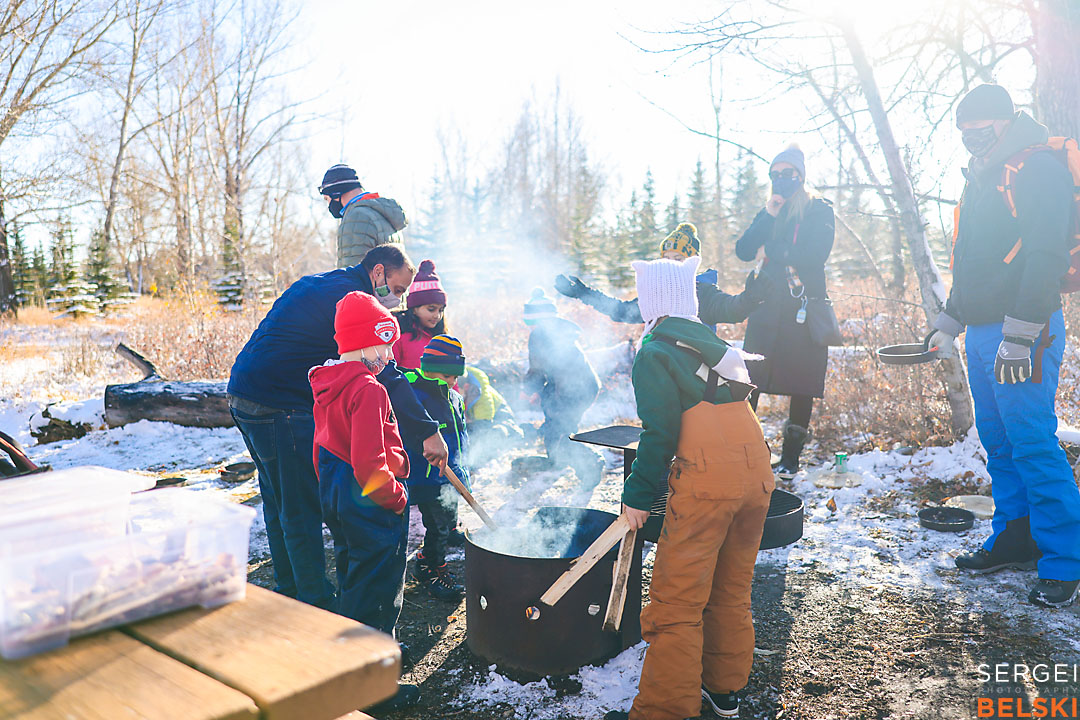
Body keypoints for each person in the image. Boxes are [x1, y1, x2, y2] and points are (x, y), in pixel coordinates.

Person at [226, 244, 448, 612]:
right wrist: (427, 430)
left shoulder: (329, 285)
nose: (400, 299)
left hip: (242, 393)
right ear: (378, 272)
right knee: (298, 507)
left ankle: (291, 589)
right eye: (397, 289)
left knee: (279, 499)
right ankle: (312, 603)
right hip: (276, 402)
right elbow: (386, 373)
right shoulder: (353, 303)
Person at [926, 83, 1080, 608]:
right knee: (997, 439)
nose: (972, 138)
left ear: (1006, 120)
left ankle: (1065, 561)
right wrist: (952, 316)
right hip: (984, 330)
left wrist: (1021, 332)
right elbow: (972, 258)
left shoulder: (1035, 168)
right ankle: (1016, 538)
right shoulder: (981, 174)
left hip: (1026, 329)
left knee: (1032, 440)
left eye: (981, 128)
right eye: (964, 131)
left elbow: (1043, 256)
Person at [606, 255, 772, 720]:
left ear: (651, 302)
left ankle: (665, 709)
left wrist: (636, 501)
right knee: (731, 589)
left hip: (709, 482)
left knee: (676, 603)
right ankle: (725, 691)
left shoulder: (656, 352)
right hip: (756, 472)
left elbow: (657, 436)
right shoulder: (714, 344)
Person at [307, 291, 419, 709]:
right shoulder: (369, 390)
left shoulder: (328, 383)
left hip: (338, 496)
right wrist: (395, 498)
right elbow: (371, 464)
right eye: (386, 346)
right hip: (373, 501)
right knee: (379, 589)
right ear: (370, 343)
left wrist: (331, 494)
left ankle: (354, 660)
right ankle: (371, 688)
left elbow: (321, 447)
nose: (390, 355)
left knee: (354, 577)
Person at [734, 144, 835, 478]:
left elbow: (813, 255)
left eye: (787, 174)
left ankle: (790, 460)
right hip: (765, 307)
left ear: (801, 176)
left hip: (801, 306)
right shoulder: (770, 210)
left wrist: (772, 249)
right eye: (775, 175)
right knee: (752, 381)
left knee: (801, 383)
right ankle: (748, 453)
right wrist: (770, 214)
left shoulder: (819, 209)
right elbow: (744, 250)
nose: (781, 180)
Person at [555, 222, 770, 326]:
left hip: (696, 379)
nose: (671, 265)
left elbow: (731, 309)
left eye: (678, 259)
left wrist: (751, 298)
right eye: (667, 259)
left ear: (692, 262)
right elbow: (622, 311)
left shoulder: (702, 294)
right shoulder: (657, 293)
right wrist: (583, 293)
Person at [402, 335, 470, 601]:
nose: (454, 381)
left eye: (455, 376)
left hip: (451, 475)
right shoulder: (413, 394)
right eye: (448, 375)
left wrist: (463, 468)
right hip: (428, 478)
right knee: (438, 527)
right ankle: (433, 570)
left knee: (446, 524)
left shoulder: (453, 397)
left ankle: (424, 558)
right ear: (428, 368)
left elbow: (460, 436)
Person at [522, 288, 605, 487]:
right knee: (561, 427)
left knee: (559, 433)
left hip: (569, 390)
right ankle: (559, 461)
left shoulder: (540, 335)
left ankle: (590, 462)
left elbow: (537, 368)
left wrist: (528, 389)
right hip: (585, 387)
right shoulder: (559, 333)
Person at [318, 163, 407, 268]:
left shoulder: (356, 217)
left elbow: (351, 274)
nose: (328, 204)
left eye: (326, 199)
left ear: (335, 194)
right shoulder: (383, 213)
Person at [460, 364, 524, 463]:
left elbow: (483, 423)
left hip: (499, 418)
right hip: (475, 421)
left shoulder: (480, 391)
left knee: (495, 434)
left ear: (466, 387)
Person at [392, 259, 448, 371]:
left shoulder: (442, 339)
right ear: (414, 309)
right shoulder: (399, 337)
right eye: (431, 309)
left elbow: (450, 376)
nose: (437, 315)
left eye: (441, 310)